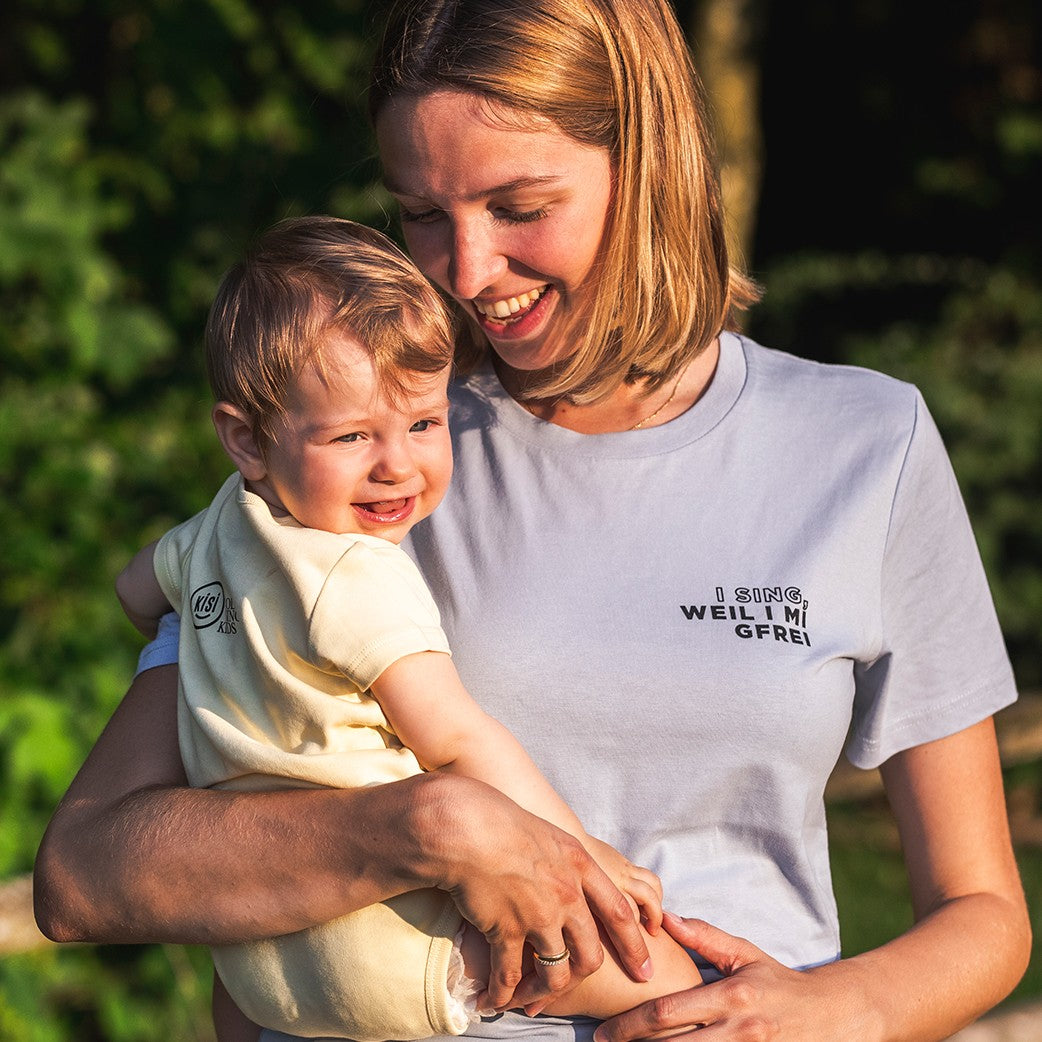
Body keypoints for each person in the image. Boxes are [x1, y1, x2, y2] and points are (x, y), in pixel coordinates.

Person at [35, 1, 1031, 1041]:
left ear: (644, 164)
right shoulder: (364, 455)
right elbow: (87, 871)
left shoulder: (865, 443)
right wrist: (423, 827)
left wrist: (840, 1011)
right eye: (421, 214)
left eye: (517, 204)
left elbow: (985, 915)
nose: (464, 273)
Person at [113, 215, 700, 1040]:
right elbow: (459, 745)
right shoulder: (360, 573)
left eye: (424, 424)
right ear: (246, 437)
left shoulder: (213, 530)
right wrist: (588, 862)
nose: (396, 464)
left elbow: (136, 591)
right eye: (353, 435)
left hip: (254, 956)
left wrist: (214, 641)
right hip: (394, 947)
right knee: (646, 967)